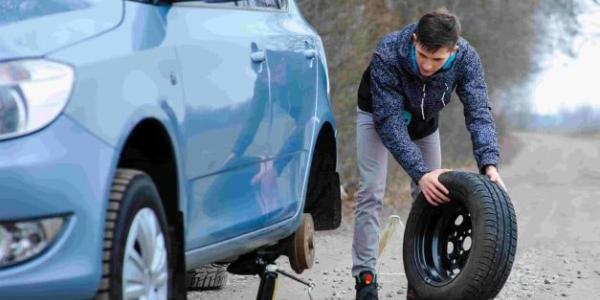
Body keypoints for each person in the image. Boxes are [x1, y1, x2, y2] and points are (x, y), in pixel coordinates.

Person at [351, 8, 507, 300]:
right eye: (422, 54)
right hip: (377, 117)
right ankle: (365, 279)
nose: (427, 65)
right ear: (414, 40)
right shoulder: (388, 52)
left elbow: (479, 112)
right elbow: (390, 123)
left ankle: (422, 282)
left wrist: (489, 163)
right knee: (372, 190)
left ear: (454, 51)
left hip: (424, 123)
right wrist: (420, 173)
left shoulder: (467, 59)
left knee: (432, 198)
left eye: (437, 59)